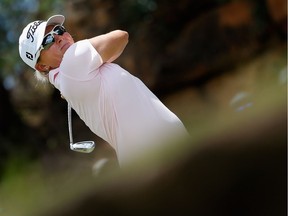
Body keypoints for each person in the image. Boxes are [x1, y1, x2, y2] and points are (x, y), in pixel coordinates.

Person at [19, 14, 189, 166]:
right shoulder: (72, 62)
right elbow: (120, 37)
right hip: (157, 157)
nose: (59, 38)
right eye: (47, 41)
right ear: (42, 66)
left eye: (59, 30)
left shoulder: (71, 74)